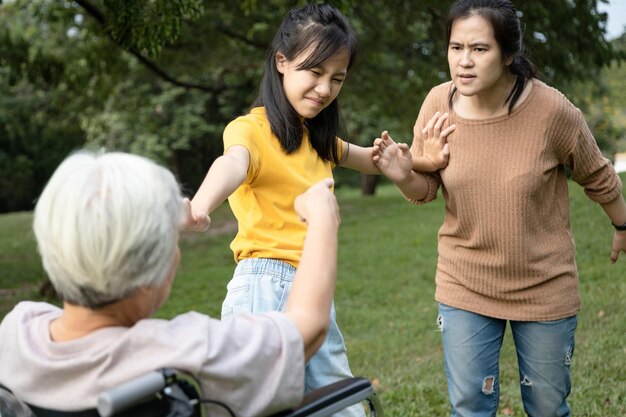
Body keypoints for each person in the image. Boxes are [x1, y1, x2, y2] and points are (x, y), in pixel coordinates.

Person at [372, 0, 626, 416]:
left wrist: (623, 224)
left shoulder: (551, 111)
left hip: (543, 286)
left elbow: (597, 174)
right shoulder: (437, 104)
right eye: (456, 48)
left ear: (508, 55)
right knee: (470, 405)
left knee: (547, 407)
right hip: (465, 282)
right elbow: (425, 188)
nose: (464, 62)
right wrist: (404, 173)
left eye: (479, 49)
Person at [0, 150, 343, 417]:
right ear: (154, 273)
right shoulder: (185, 354)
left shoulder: (17, 332)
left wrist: (157, 224)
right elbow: (307, 327)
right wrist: (322, 219)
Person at [182, 5, 377, 416]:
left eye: (337, 78)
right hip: (263, 286)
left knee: (341, 406)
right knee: (259, 407)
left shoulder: (321, 141)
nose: (325, 88)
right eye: (315, 71)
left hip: (313, 288)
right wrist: (200, 207)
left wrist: (419, 157)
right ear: (282, 62)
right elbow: (232, 163)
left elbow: (376, 160)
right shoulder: (250, 130)